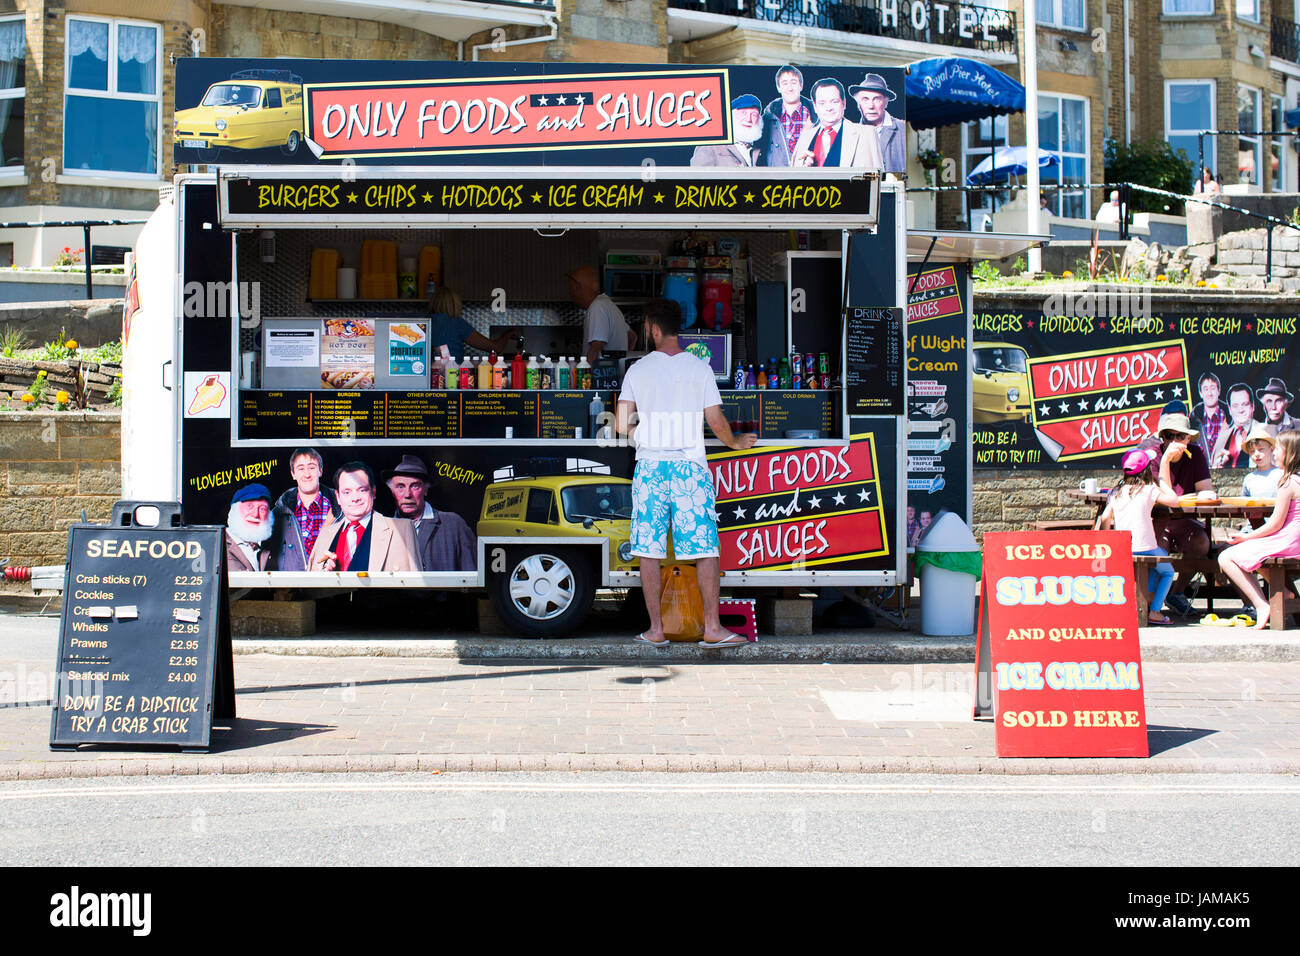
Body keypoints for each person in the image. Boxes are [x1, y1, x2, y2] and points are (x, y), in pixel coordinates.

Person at [616, 298, 757, 648]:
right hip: (689, 469)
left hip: (650, 468)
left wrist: (642, 436)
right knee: (704, 547)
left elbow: (620, 425)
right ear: (678, 328)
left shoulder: (637, 370)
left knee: (648, 549)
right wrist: (735, 442)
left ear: (652, 328)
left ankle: (656, 630)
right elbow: (715, 421)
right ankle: (711, 628)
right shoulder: (700, 368)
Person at [1135, 411, 1217, 616]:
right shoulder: (1153, 456)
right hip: (1157, 518)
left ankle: (1177, 591)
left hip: (1186, 518)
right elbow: (1164, 496)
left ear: (1188, 438)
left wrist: (1204, 494)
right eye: (1169, 436)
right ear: (1162, 438)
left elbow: (1205, 490)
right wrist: (1165, 462)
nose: (1174, 441)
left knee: (1202, 544)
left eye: (1179, 436)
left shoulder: (1196, 453)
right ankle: (1150, 602)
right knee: (1156, 550)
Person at [1217, 430, 1300, 629]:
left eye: (1278, 449)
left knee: (1226, 557)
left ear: (1289, 453)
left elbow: (1275, 524)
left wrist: (1245, 538)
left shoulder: (1287, 482)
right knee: (1252, 553)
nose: (1275, 452)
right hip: (1294, 538)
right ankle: (1284, 592)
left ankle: (1261, 605)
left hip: (1289, 539)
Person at [1098, 447, 1182, 625]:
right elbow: (1174, 500)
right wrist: (1162, 477)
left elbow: (1105, 517)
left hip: (1123, 548)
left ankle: (1142, 604)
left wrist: (1110, 541)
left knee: (1152, 567)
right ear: (1147, 469)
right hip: (1147, 547)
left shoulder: (1115, 492)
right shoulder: (1149, 490)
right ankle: (1155, 611)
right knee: (1167, 571)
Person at [309, 462, 420, 572]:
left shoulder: (402, 529)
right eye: (347, 492)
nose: (355, 498)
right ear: (338, 497)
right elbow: (308, 587)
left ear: (373, 492)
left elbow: (417, 586)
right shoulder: (324, 534)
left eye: (361, 490)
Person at [383, 454, 477, 572]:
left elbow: (473, 578)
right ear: (393, 491)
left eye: (415, 486)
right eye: (400, 487)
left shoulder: (454, 524)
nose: (407, 494)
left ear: (426, 489)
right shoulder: (383, 529)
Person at [792, 78, 882, 169]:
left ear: (844, 103)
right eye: (822, 103)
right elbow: (792, 177)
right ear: (815, 107)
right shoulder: (804, 137)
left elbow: (878, 178)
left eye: (834, 101)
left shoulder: (867, 134)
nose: (828, 108)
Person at [273, 447, 339, 571]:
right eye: (301, 468)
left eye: (312, 467)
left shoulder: (339, 507)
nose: (307, 474)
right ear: (293, 474)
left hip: (330, 585)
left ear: (320, 471)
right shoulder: (280, 511)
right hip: (291, 585)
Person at [426, 287, 517, 359]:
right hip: (452, 377)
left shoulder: (423, 322)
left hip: (424, 377)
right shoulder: (457, 324)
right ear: (454, 304)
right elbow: (496, 348)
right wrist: (509, 333)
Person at [568, 264, 632, 364]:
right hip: (612, 375)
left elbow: (597, 346)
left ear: (578, 287)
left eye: (571, 289)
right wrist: (623, 364)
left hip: (602, 377)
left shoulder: (597, 307)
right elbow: (632, 336)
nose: (571, 294)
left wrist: (586, 375)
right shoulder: (609, 305)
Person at [762, 64, 818, 168]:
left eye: (793, 82)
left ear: (801, 86)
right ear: (778, 88)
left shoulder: (817, 116)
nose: (790, 88)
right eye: (785, 83)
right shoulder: (768, 119)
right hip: (777, 181)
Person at [848, 73, 904, 174]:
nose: (871, 106)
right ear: (858, 104)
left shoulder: (902, 129)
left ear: (886, 103)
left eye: (877, 99)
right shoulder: (851, 133)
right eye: (865, 99)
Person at [691, 94, 767, 167]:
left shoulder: (760, 149)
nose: (748, 119)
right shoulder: (710, 145)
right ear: (731, 116)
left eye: (754, 115)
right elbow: (698, 176)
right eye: (743, 113)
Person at [225, 484, 279, 572]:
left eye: (262, 509)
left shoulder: (267, 548)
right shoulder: (217, 544)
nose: (255, 514)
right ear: (234, 510)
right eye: (249, 506)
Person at [1213, 382, 1263, 468]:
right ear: (1229, 409)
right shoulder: (1222, 438)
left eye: (1245, 404)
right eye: (1235, 406)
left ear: (1253, 406)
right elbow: (1213, 469)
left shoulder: (1265, 431)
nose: (1240, 410)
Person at [1191, 371, 1227, 463]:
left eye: (1213, 388)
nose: (1210, 393)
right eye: (1206, 389)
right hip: (1202, 471)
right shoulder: (1194, 420)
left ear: (1219, 391)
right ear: (1200, 393)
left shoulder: (1230, 416)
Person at [1241, 424, 1282, 499]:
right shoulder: (1249, 479)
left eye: (1261, 449)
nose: (1256, 454)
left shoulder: (1282, 474)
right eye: (1252, 451)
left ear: (1271, 449)